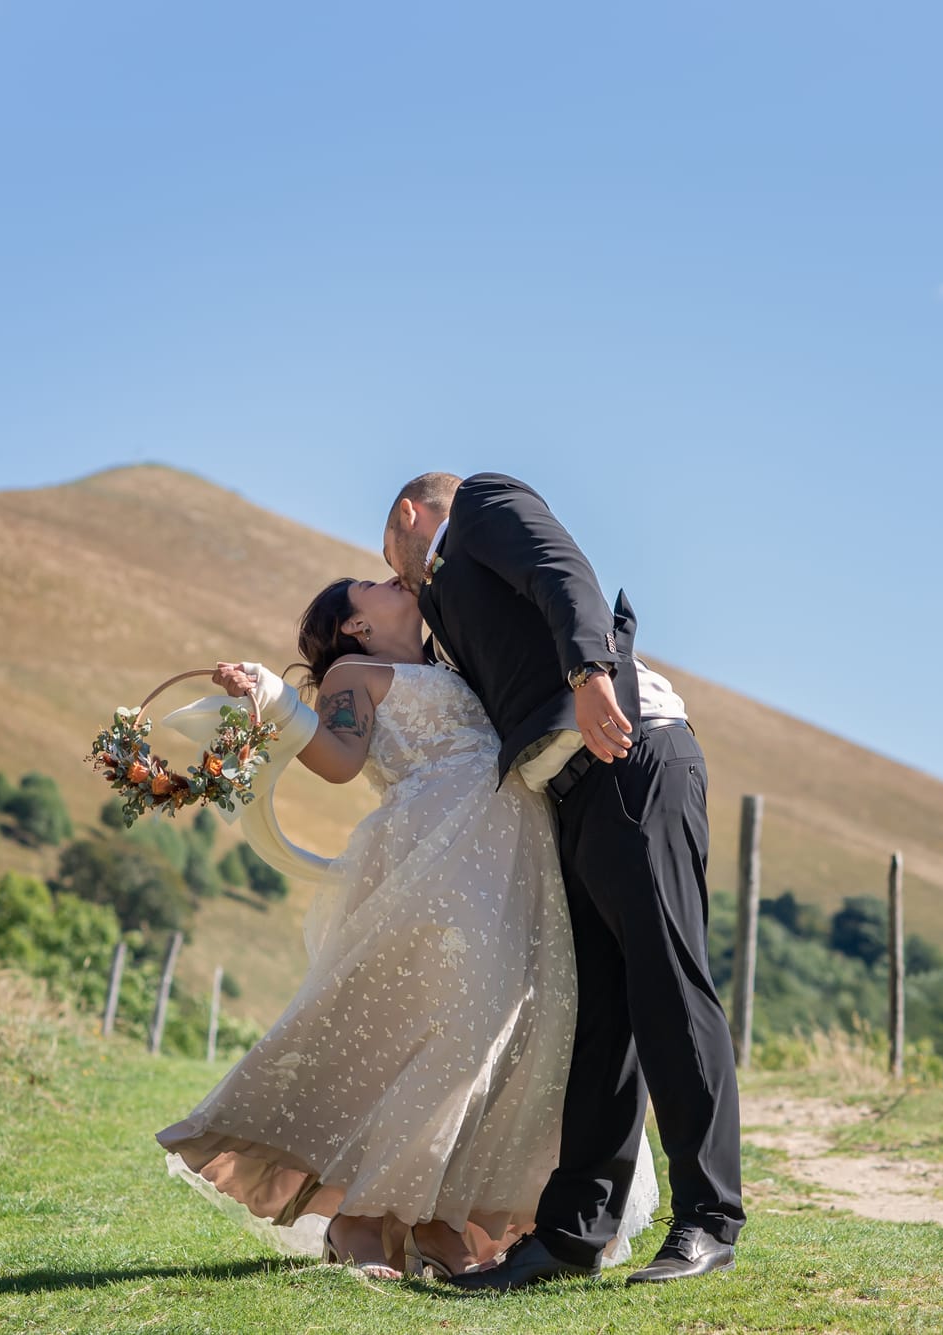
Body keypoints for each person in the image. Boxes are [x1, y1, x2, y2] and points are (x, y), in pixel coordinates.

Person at [155, 575, 654, 1279]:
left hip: (516, 858)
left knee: (510, 1034)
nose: (391, 579)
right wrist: (273, 698)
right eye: (370, 585)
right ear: (355, 627)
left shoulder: (451, 662)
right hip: (438, 855)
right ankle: (358, 1220)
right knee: (454, 1027)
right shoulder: (354, 674)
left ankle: (440, 1220)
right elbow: (338, 760)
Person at [382, 471, 743, 1288]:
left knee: (668, 986)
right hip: (576, 792)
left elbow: (562, 570)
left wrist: (587, 672)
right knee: (604, 1014)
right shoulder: (443, 599)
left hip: (630, 751)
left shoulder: (480, 502)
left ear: (408, 514)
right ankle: (572, 1234)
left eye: (391, 558)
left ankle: (709, 1220)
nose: (399, 578)